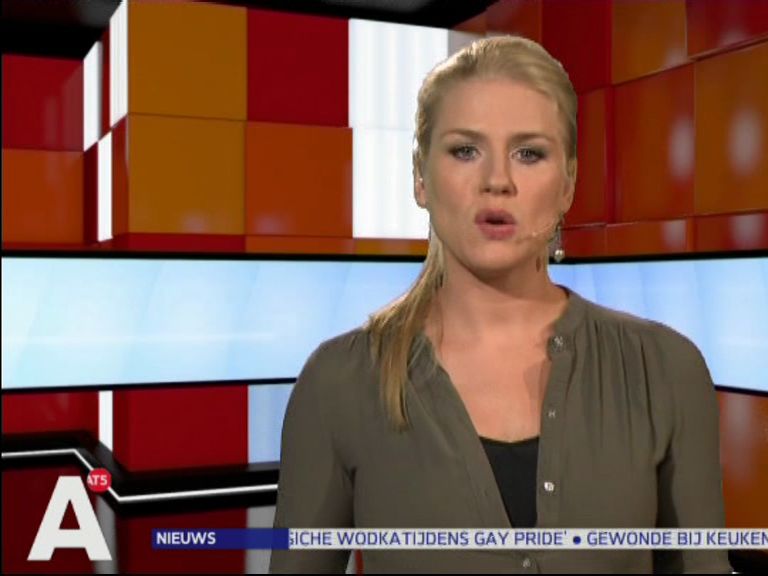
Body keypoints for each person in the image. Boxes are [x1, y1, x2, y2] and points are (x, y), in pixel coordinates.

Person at [270, 35, 732, 574]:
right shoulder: (339, 383)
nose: (497, 181)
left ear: (568, 184)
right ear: (420, 177)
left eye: (529, 153)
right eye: (465, 151)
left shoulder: (666, 370)